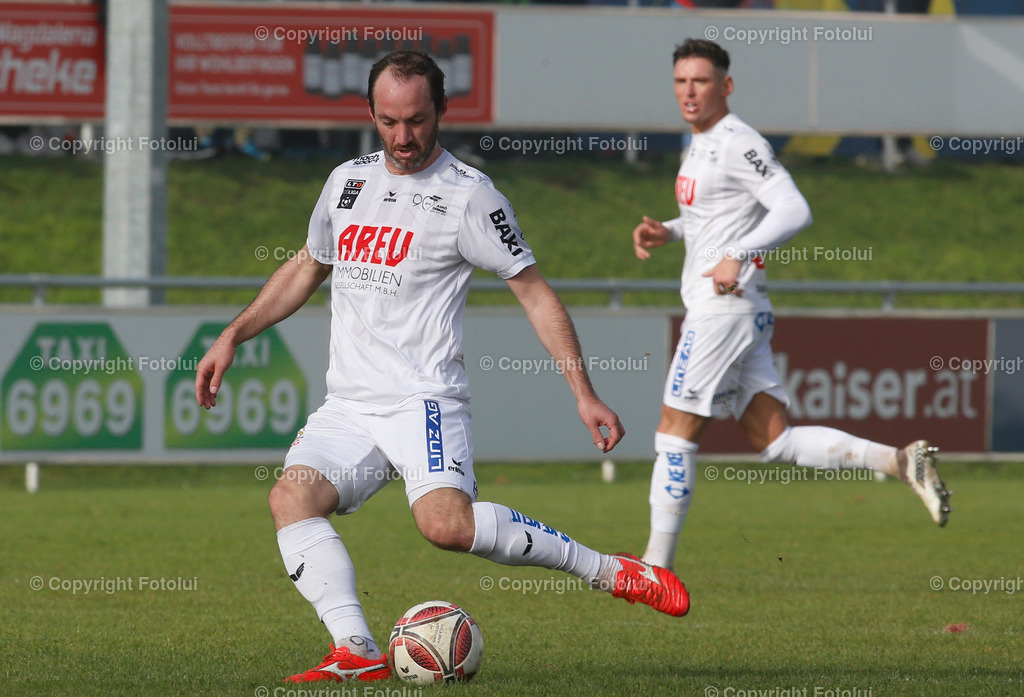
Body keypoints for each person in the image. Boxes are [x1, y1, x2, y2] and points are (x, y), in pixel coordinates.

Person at [195, 50, 689, 685]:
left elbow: (535, 293)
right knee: (291, 496)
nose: (404, 137)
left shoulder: (470, 197)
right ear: (370, 113)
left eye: (419, 121)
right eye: (391, 121)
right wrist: (234, 333)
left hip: (423, 398)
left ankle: (614, 570)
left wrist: (582, 392)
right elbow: (308, 265)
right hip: (349, 405)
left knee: (446, 528)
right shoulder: (346, 182)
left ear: (442, 113)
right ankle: (356, 649)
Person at [631, 38, 952, 573]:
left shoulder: (738, 141)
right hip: (740, 310)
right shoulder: (700, 143)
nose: (689, 91)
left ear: (726, 86)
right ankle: (899, 461)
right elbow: (716, 218)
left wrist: (739, 253)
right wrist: (669, 230)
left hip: (721, 312)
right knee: (774, 441)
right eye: (681, 81)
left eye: (701, 81)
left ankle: (654, 569)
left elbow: (793, 208)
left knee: (673, 433)